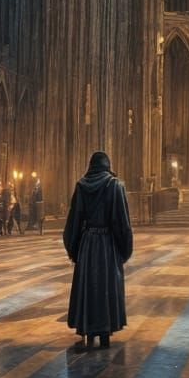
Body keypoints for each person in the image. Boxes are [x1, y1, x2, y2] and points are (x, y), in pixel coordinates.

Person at [62, 150, 133, 351]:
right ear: (107, 166)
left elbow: (73, 223)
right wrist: (123, 250)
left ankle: (88, 330)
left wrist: (74, 250)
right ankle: (105, 333)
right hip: (107, 245)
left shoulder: (81, 186)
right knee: (105, 287)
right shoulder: (115, 185)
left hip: (87, 244)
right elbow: (122, 224)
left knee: (89, 287)